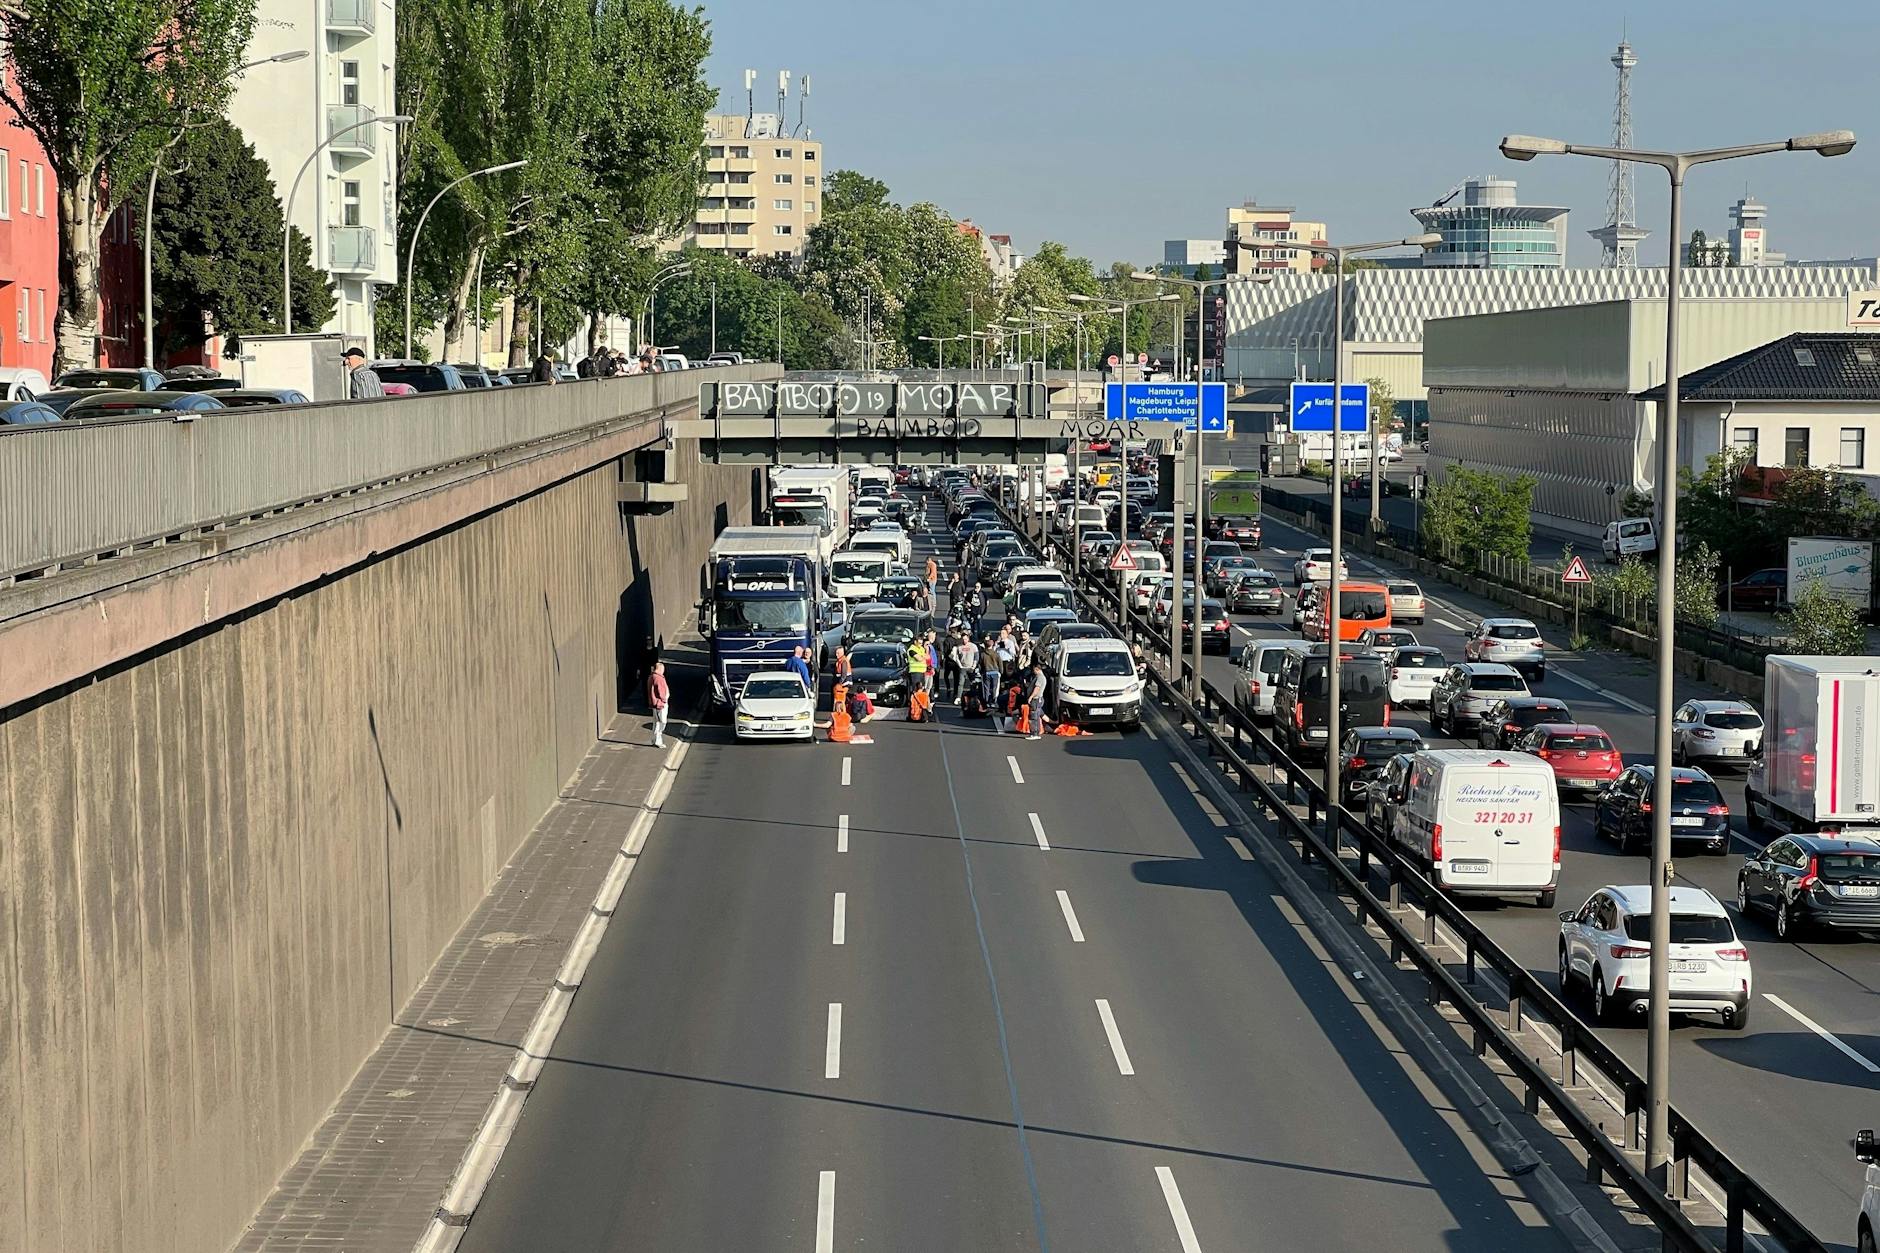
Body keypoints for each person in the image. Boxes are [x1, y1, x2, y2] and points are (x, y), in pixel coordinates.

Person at [1025, 661, 1051, 740]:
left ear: (1037, 669)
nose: (1033, 671)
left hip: (1036, 699)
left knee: (1034, 716)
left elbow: (1037, 688)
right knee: (1037, 714)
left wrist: (1031, 697)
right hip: (1038, 699)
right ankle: (1035, 733)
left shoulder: (1040, 677)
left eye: (1034, 670)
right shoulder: (1040, 677)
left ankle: (1034, 733)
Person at [950, 633, 979, 705]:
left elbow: (976, 657)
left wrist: (974, 666)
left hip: (971, 668)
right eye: (963, 639)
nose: (964, 640)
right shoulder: (959, 647)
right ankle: (958, 698)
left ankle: (974, 697)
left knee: (973, 683)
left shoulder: (973, 646)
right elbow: (956, 657)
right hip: (962, 668)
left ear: (968, 639)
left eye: (965, 639)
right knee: (960, 683)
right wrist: (960, 665)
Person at [648, 660, 670, 749]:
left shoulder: (652, 677)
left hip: (656, 704)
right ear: (660, 669)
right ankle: (658, 741)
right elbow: (661, 691)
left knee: (656, 722)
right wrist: (664, 699)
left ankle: (655, 740)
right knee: (662, 722)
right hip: (660, 704)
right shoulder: (658, 678)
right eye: (663, 669)